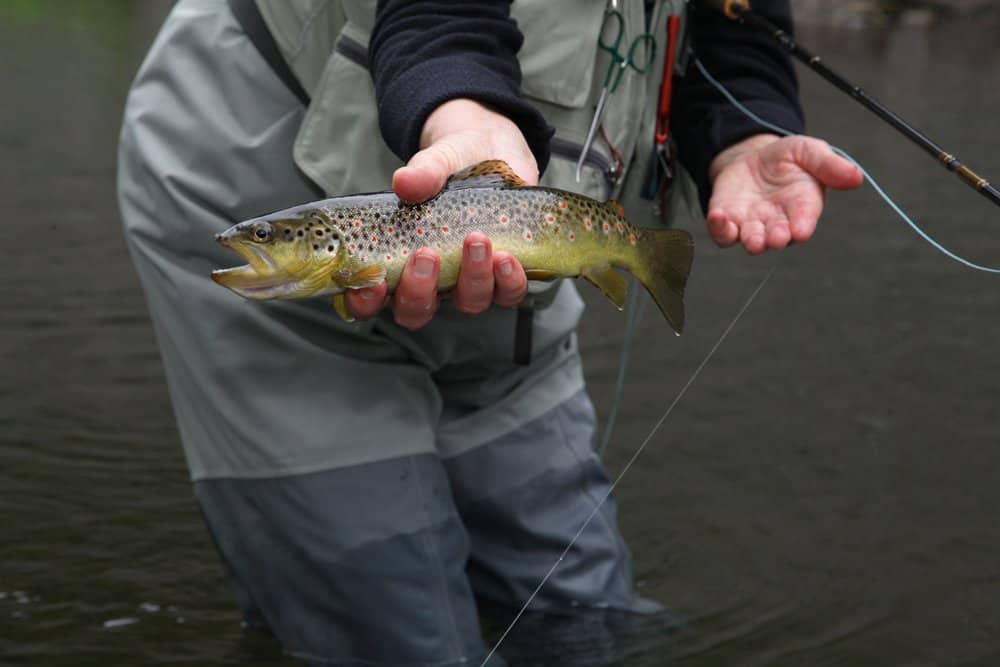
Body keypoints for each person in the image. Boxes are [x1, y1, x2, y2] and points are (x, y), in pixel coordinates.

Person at [117, 0, 862, 665]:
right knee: (401, 635)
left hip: (515, 233)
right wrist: (461, 109)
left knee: (588, 619)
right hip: (262, 154)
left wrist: (744, 127)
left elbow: (734, 20)